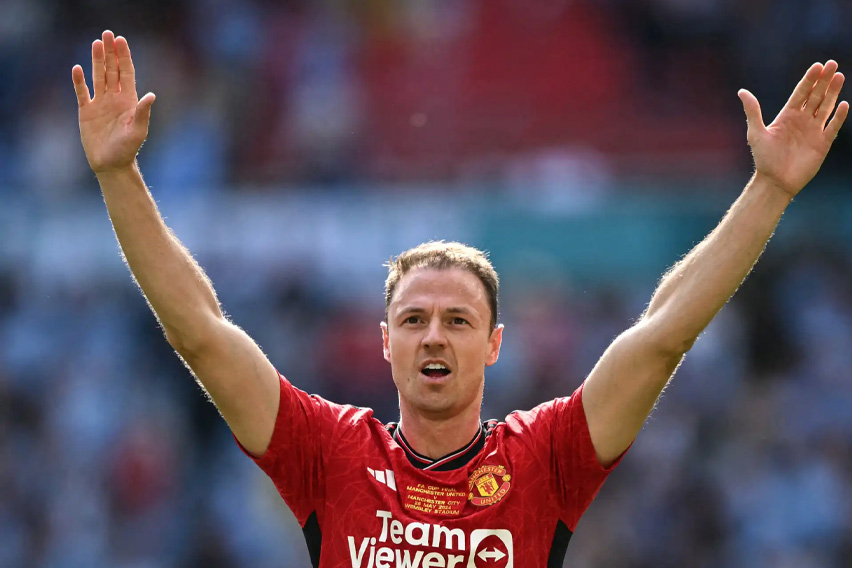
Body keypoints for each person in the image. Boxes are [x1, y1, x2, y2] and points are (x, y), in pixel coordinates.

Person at [72, 30, 846, 568]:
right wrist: (118, 176)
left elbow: (659, 337)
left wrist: (769, 191)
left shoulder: (544, 459)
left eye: (457, 320)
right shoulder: (331, 454)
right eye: (412, 320)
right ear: (384, 342)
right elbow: (202, 333)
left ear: (495, 343)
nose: (433, 337)